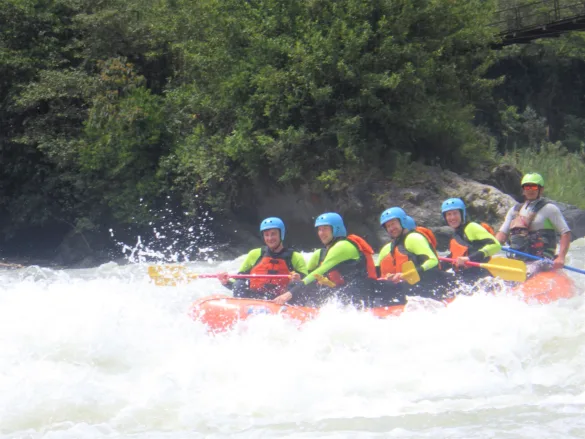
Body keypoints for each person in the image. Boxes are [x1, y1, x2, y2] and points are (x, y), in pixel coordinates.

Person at [272, 212, 377, 307]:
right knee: (297, 285)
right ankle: (297, 309)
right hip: (345, 290)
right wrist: (299, 279)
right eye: (319, 229)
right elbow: (311, 277)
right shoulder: (325, 251)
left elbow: (319, 272)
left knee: (300, 289)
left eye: (325, 228)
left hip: (360, 293)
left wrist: (289, 294)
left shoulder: (343, 246)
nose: (321, 233)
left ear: (336, 229)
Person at [495, 172, 571, 277]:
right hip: (519, 259)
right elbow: (502, 234)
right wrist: (491, 247)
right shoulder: (514, 210)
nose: (530, 190)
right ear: (523, 190)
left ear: (541, 189)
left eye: (534, 187)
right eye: (527, 187)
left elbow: (565, 233)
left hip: (542, 259)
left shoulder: (550, 209)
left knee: (530, 271)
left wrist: (561, 257)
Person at [374, 207, 452, 304]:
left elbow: (433, 261)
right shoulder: (395, 245)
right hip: (414, 286)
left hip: (429, 284)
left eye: (393, 224)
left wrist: (408, 273)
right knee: (383, 287)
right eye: (388, 226)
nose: (391, 228)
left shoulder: (413, 238)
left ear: (402, 222)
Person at [218, 217, 308, 299]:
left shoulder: (295, 257)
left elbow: (306, 283)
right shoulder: (255, 254)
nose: (270, 238)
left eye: (273, 234)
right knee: (239, 283)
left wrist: (299, 279)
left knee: (296, 284)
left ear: (281, 234)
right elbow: (239, 280)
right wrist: (226, 281)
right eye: (266, 235)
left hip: (281, 300)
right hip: (255, 298)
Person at [441, 198, 501, 283]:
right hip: (464, 276)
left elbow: (496, 245)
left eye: (455, 213)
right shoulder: (456, 235)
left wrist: (469, 258)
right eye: (449, 214)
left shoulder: (472, 227)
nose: (452, 217)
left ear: (462, 214)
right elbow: (453, 257)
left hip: (480, 277)